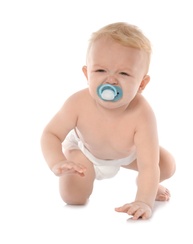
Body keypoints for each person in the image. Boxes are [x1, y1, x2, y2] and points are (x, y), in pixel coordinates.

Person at [40, 22, 176, 220]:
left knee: (166, 164)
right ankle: (81, 176)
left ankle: (148, 187)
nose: (110, 80)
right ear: (87, 74)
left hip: (127, 154)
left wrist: (143, 201)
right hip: (85, 151)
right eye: (101, 71)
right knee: (73, 197)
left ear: (142, 83)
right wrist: (57, 161)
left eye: (123, 73)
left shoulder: (143, 114)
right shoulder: (78, 103)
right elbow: (50, 134)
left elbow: (148, 165)